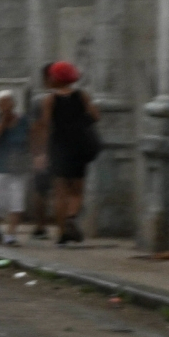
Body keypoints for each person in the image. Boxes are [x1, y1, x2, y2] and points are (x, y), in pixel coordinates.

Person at [32, 60, 100, 246]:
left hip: (59, 146)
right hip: (80, 146)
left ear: (54, 78)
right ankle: (71, 217)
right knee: (77, 190)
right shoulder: (82, 95)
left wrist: (42, 153)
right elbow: (95, 116)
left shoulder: (50, 99)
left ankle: (62, 232)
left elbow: (45, 125)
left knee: (60, 192)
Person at [0, 89, 31, 246]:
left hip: (19, 166)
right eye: (1, 103)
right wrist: (3, 122)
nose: (5, 106)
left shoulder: (23, 120)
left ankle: (11, 234)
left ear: (13, 103)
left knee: (17, 201)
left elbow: (31, 138)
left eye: (8, 102)